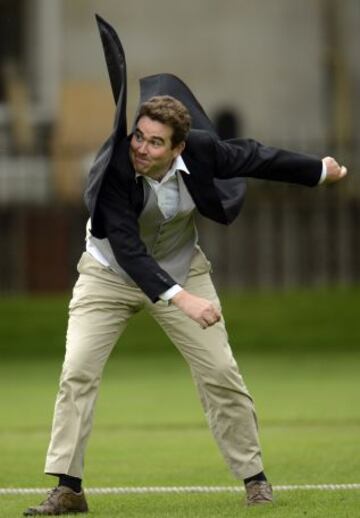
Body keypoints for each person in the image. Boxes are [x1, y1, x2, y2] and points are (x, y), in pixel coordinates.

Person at [24, 19, 347, 517]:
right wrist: (183, 299)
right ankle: (69, 487)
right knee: (77, 371)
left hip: (181, 266)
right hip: (109, 273)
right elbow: (129, 252)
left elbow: (254, 157)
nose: (142, 148)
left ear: (178, 147)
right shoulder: (112, 170)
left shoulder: (199, 151)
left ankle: (254, 479)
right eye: (139, 137)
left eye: (156, 143)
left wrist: (318, 171)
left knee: (220, 370)